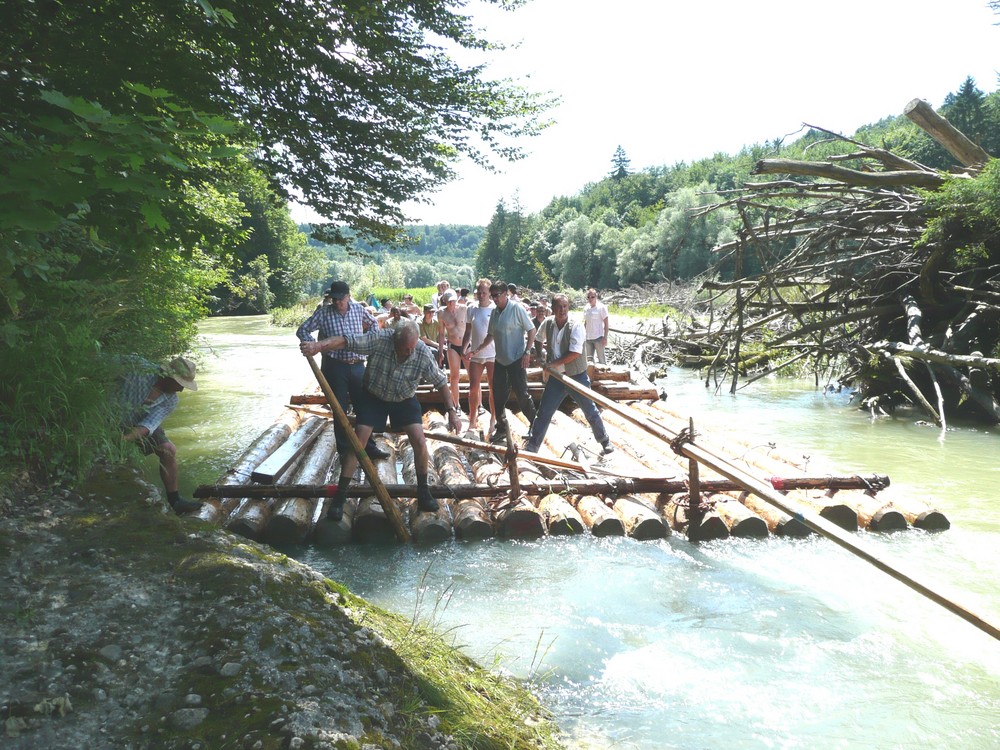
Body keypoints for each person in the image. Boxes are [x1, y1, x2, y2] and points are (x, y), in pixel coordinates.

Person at [299, 320, 462, 520]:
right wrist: (317, 346)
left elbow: (441, 382)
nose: (409, 352)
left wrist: (452, 411)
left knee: (419, 441)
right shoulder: (380, 339)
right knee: (358, 441)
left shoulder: (421, 352)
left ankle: (423, 490)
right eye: (405, 348)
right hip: (374, 396)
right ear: (394, 340)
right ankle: (340, 496)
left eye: (412, 347)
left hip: (404, 397)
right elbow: (346, 341)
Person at [296, 280, 388, 461]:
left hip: (357, 365)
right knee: (340, 409)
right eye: (334, 299)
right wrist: (313, 345)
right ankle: (344, 450)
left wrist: (365, 342)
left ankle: (368, 446)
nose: (337, 303)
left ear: (348, 296)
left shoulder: (359, 310)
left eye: (340, 299)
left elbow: (374, 327)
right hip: (334, 366)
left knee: (364, 407)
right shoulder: (324, 313)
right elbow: (302, 330)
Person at [523, 294, 614, 456]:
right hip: (557, 377)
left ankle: (605, 441)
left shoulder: (576, 326)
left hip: (575, 376)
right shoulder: (548, 323)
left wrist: (551, 364)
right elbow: (538, 338)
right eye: (559, 306)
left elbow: (574, 353)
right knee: (544, 411)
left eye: (565, 306)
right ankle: (532, 446)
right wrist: (540, 355)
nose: (562, 310)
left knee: (589, 410)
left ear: (568, 308)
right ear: (553, 308)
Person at [116, 356, 203, 515]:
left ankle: (175, 501)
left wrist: (124, 439)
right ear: (169, 375)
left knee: (168, 450)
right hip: (110, 416)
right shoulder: (138, 367)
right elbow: (101, 365)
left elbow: (148, 425)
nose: (181, 389)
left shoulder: (171, 400)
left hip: (138, 424)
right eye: (180, 384)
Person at [469, 279, 536, 444]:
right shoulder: (495, 313)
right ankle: (501, 428)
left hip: (516, 359)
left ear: (506, 294)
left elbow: (532, 329)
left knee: (522, 395)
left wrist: (527, 352)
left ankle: (535, 425)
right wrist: (478, 349)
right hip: (500, 360)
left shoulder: (516, 309)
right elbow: (490, 335)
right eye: (493, 296)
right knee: (498, 396)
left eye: (497, 295)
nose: (495, 299)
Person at [460, 278, 496, 434]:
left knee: (493, 388)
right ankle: (472, 421)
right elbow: (468, 331)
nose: (482, 295)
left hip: (493, 354)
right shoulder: (471, 308)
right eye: (479, 292)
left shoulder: (495, 309)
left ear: (489, 294)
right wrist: (463, 348)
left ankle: (493, 420)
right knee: (473, 388)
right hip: (475, 354)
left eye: (484, 293)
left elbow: (494, 334)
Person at [437, 289, 467, 412]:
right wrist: (440, 351)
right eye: (449, 302)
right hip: (452, 345)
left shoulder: (464, 309)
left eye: (453, 301)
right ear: (445, 301)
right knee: (454, 376)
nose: (451, 304)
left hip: (465, 344)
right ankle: (456, 405)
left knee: (473, 375)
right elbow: (441, 334)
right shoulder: (441, 313)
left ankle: (479, 405)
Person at [583, 288, 610, 364]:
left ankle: (605, 375)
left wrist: (605, 337)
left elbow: (606, 323)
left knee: (602, 360)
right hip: (588, 338)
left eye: (592, 297)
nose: (590, 299)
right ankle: (591, 376)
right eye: (588, 297)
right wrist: (583, 334)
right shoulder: (586, 308)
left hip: (598, 338)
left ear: (596, 296)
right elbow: (586, 322)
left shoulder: (601, 307)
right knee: (589, 361)